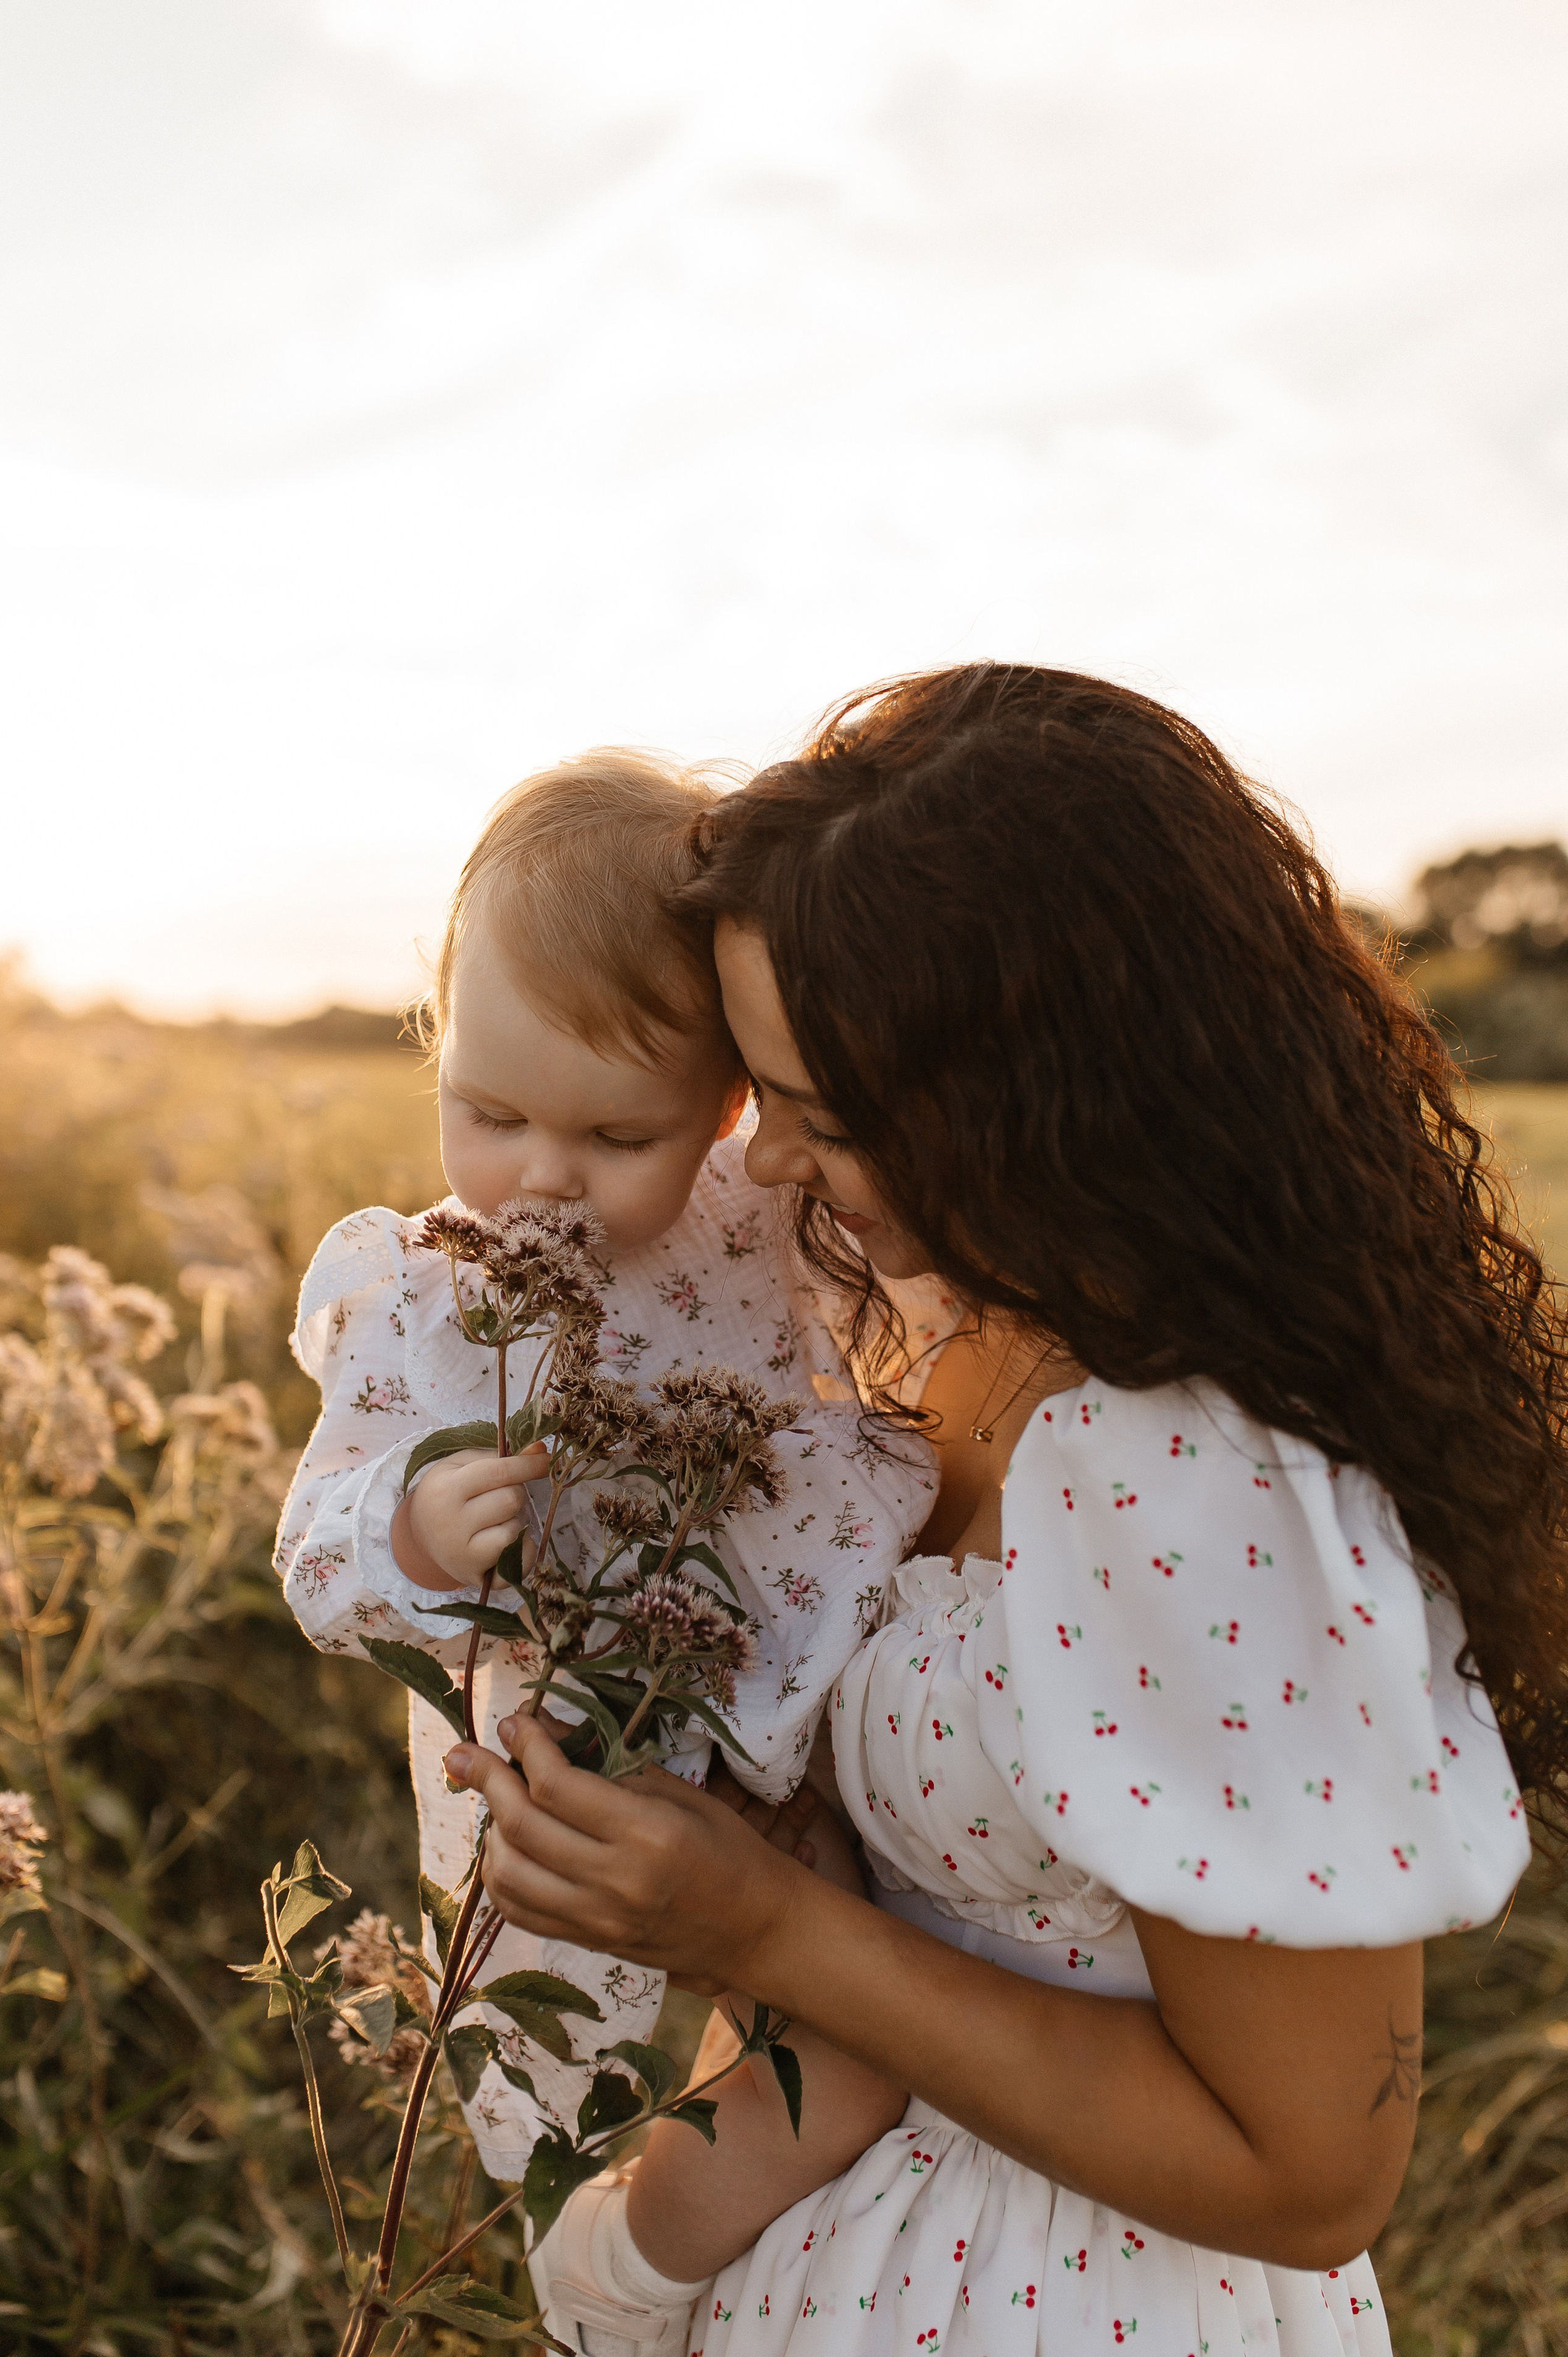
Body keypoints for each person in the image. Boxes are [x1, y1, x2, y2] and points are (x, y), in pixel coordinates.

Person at [447, 666, 1566, 2356]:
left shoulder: (1197, 1478)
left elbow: (1312, 2173)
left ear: (1035, 1109)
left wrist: (763, 1925)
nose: (767, 1164)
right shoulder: (945, 1341)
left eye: (824, 1117)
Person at [274, 748, 937, 2186]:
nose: (540, 1176)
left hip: (803, 1699)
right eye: (489, 1114)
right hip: (564, 1747)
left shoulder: (758, 1217)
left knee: (841, 2006)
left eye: (618, 1133)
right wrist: (411, 1529)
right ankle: (566, 2208)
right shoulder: (422, 1295)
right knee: (547, 2040)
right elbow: (312, 1554)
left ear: (726, 1110)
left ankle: (800, 2182)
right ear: (440, 1041)